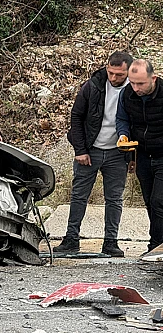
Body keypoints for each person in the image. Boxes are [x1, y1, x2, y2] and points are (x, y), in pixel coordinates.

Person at [54, 51, 133, 256]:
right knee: (79, 196)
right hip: (90, 149)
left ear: (129, 72)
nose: (113, 78)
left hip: (118, 153)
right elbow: (76, 116)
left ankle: (111, 242)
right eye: (111, 73)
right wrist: (80, 150)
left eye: (119, 75)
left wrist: (132, 156)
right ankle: (71, 239)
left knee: (114, 199)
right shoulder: (93, 86)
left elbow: (139, 123)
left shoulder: (135, 89)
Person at [116, 59, 163, 255]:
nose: (136, 88)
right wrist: (123, 135)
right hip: (142, 154)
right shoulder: (127, 94)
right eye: (132, 82)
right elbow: (122, 118)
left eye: (141, 83)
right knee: (149, 201)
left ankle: (156, 247)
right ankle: (157, 244)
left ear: (153, 78)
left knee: (159, 201)